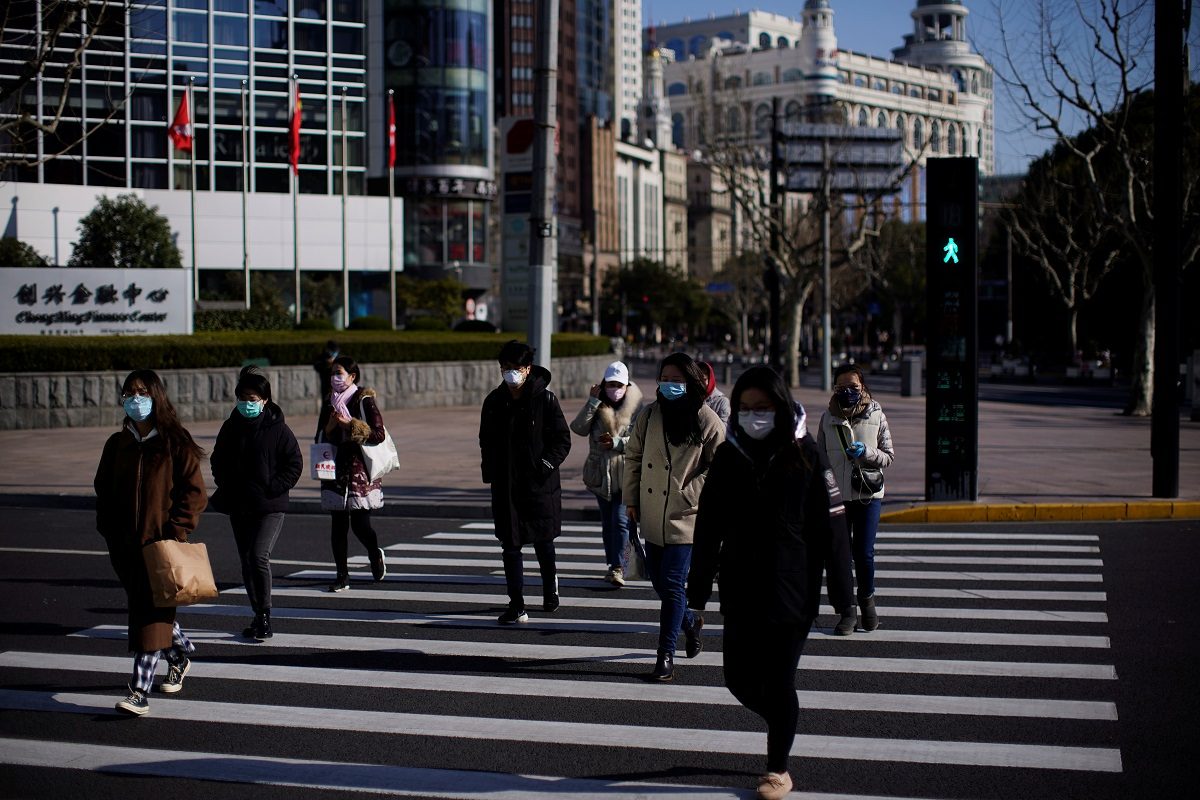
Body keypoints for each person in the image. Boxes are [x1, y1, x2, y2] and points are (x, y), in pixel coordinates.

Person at [688, 365, 851, 800]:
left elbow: (832, 531)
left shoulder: (807, 454)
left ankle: (777, 770)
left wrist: (843, 595)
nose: (752, 416)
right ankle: (785, 717)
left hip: (792, 592)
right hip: (740, 589)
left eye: (762, 408)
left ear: (779, 408)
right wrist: (697, 595)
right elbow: (708, 529)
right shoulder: (729, 455)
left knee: (779, 682)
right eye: (744, 409)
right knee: (738, 680)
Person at [94, 369, 208, 716]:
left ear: (156, 397)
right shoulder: (118, 444)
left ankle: (139, 692)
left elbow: (194, 492)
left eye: (142, 392)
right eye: (129, 393)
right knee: (151, 608)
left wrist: (176, 529)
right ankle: (180, 654)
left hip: (161, 546)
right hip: (125, 547)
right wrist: (109, 528)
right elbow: (103, 489)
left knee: (148, 616)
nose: (135, 399)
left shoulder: (174, 442)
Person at [623, 352, 724, 681]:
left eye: (676, 380)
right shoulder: (650, 415)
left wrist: (690, 492)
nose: (668, 385)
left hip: (687, 516)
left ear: (691, 382)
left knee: (671, 583)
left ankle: (665, 655)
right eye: (664, 379)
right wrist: (631, 499)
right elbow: (633, 456)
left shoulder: (707, 419)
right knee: (658, 580)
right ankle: (691, 623)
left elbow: (720, 468)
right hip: (652, 511)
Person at [479, 340, 572, 624]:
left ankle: (549, 589)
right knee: (510, 545)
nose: (510, 374)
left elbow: (561, 440)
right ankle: (516, 604)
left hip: (539, 485)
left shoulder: (546, 400)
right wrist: (491, 472)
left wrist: (543, 466)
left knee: (543, 541)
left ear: (527, 368)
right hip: (506, 486)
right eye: (504, 368)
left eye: (515, 368)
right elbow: (486, 439)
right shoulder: (494, 401)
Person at [210, 366, 304, 640]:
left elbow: (294, 463)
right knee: (246, 561)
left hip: (270, 506)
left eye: (253, 399)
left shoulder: (278, 429)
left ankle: (264, 614)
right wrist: (225, 483)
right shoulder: (230, 427)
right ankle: (256, 613)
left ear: (265, 400)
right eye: (243, 398)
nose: (247, 404)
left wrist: (273, 487)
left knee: (258, 556)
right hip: (239, 504)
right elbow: (218, 459)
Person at [817, 363, 895, 633]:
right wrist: (826, 489)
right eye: (842, 387)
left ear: (863, 386)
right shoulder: (828, 418)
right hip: (837, 498)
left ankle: (868, 603)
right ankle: (847, 612)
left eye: (854, 387)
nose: (848, 392)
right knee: (839, 556)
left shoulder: (877, 414)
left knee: (863, 552)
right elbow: (819, 459)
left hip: (867, 495)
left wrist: (867, 453)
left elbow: (888, 456)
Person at [315, 355, 389, 592]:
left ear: (352, 376)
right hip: (335, 466)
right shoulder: (329, 401)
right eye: (333, 373)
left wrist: (351, 425)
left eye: (339, 373)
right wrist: (331, 427)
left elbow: (378, 434)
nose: (335, 378)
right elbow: (321, 435)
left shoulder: (364, 400)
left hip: (358, 469)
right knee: (337, 524)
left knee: (360, 524)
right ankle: (342, 576)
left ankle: (374, 552)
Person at [569, 360, 644, 587]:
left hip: (625, 474)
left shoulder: (637, 407)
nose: (615, 389)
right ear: (603, 384)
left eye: (619, 384)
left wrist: (617, 442)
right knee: (607, 523)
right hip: (601, 475)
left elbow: (641, 441)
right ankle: (613, 564)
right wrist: (593, 401)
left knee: (620, 521)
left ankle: (619, 567)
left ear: (627, 385)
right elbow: (578, 427)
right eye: (611, 384)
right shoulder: (598, 404)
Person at [700, 361, 731, 426]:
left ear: (710, 379)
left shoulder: (722, 401)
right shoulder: (691, 398)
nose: (700, 384)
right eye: (697, 380)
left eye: (704, 379)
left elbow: (724, 429)